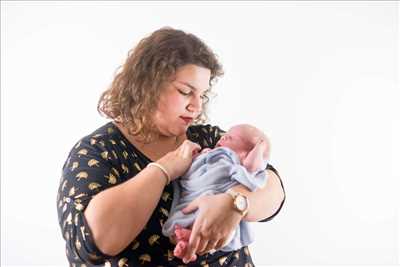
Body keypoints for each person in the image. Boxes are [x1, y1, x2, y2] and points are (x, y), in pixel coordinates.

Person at [56, 27, 286, 266]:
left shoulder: (210, 139)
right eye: (186, 92)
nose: (196, 107)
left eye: (202, 95)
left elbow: (274, 188)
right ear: (147, 85)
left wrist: (235, 202)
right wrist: (165, 168)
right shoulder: (98, 151)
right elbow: (92, 244)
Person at [162, 124, 271, 260]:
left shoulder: (238, 162)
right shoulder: (210, 152)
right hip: (194, 194)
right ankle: (184, 241)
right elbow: (191, 167)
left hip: (216, 197)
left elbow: (255, 167)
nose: (222, 137)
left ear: (247, 152)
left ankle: (189, 242)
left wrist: (260, 146)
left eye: (229, 138)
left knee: (219, 228)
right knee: (182, 217)